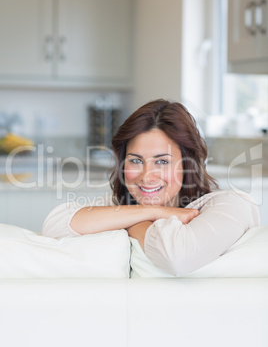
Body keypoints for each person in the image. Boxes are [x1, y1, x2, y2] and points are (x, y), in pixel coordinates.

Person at [42, 99, 260, 276]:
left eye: (162, 162)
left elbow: (177, 258)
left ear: (188, 163)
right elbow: (55, 224)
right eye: (136, 160)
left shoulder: (231, 204)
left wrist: (132, 223)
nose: (147, 177)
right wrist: (153, 211)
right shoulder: (126, 205)